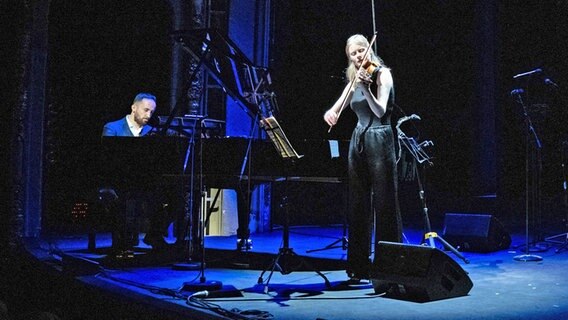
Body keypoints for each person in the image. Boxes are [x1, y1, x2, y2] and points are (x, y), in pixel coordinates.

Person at [323, 34, 402, 281]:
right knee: (358, 204)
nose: (358, 56)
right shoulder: (354, 79)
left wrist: (367, 89)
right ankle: (358, 265)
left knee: (384, 202)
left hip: (380, 138)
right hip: (359, 140)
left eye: (361, 51)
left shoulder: (382, 75)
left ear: (369, 49)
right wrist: (331, 113)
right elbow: (336, 107)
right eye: (353, 54)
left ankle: (389, 265)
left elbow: (380, 110)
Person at [101, 93, 172, 254]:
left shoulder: (152, 131)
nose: (149, 115)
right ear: (134, 108)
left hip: (144, 180)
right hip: (118, 179)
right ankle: (122, 241)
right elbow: (107, 159)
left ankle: (154, 234)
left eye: (152, 112)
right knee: (126, 195)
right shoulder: (113, 128)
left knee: (175, 197)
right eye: (145, 110)